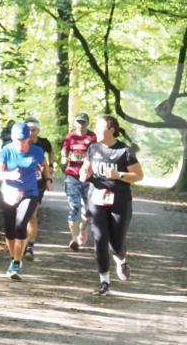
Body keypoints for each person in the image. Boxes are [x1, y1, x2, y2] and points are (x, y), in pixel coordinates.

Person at [79, 114, 143, 296]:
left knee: (116, 242)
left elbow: (139, 176)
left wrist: (119, 175)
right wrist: (84, 174)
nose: (95, 131)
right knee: (100, 239)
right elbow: (85, 169)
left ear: (111, 130)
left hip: (120, 200)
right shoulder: (93, 148)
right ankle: (104, 282)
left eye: (99, 128)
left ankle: (121, 260)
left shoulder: (125, 151)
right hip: (96, 199)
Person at [0, 122, 50, 280]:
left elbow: (44, 165)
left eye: (24, 140)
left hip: (29, 193)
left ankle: (16, 263)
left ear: (28, 138)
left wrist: (48, 178)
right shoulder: (7, 150)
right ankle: (14, 258)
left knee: (20, 224)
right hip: (9, 193)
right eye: (18, 140)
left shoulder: (37, 151)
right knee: (9, 229)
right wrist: (10, 175)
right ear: (12, 138)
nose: (21, 143)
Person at [61, 112, 97, 250]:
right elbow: (64, 151)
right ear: (75, 123)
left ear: (87, 123)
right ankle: (74, 239)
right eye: (78, 122)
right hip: (72, 176)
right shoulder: (70, 136)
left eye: (83, 122)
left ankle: (82, 229)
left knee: (88, 210)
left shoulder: (92, 137)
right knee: (74, 207)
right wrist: (64, 158)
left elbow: (98, 153)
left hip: (88, 177)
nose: (81, 124)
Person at [23, 117, 54, 260]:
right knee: (20, 215)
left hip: (38, 183)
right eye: (28, 130)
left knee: (32, 215)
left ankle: (30, 246)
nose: (31, 133)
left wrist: (49, 170)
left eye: (33, 130)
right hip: (21, 183)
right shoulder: (19, 143)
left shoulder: (43, 143)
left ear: (38, 130)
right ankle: (19, 241)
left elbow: (50, 153)